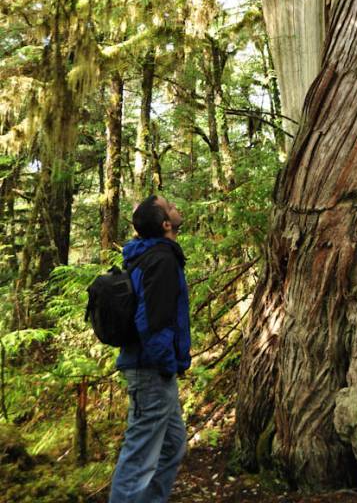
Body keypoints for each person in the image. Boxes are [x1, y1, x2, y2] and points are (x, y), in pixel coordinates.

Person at [109, 194, 191, 503]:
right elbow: (153, 323)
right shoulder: (161, 259)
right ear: (166, 224)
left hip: (152, 370)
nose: (176, 206)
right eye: (171, 206)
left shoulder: (152, 256)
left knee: (172, 445)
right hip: (151, 371)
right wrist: (168, 364)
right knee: (139, 458)